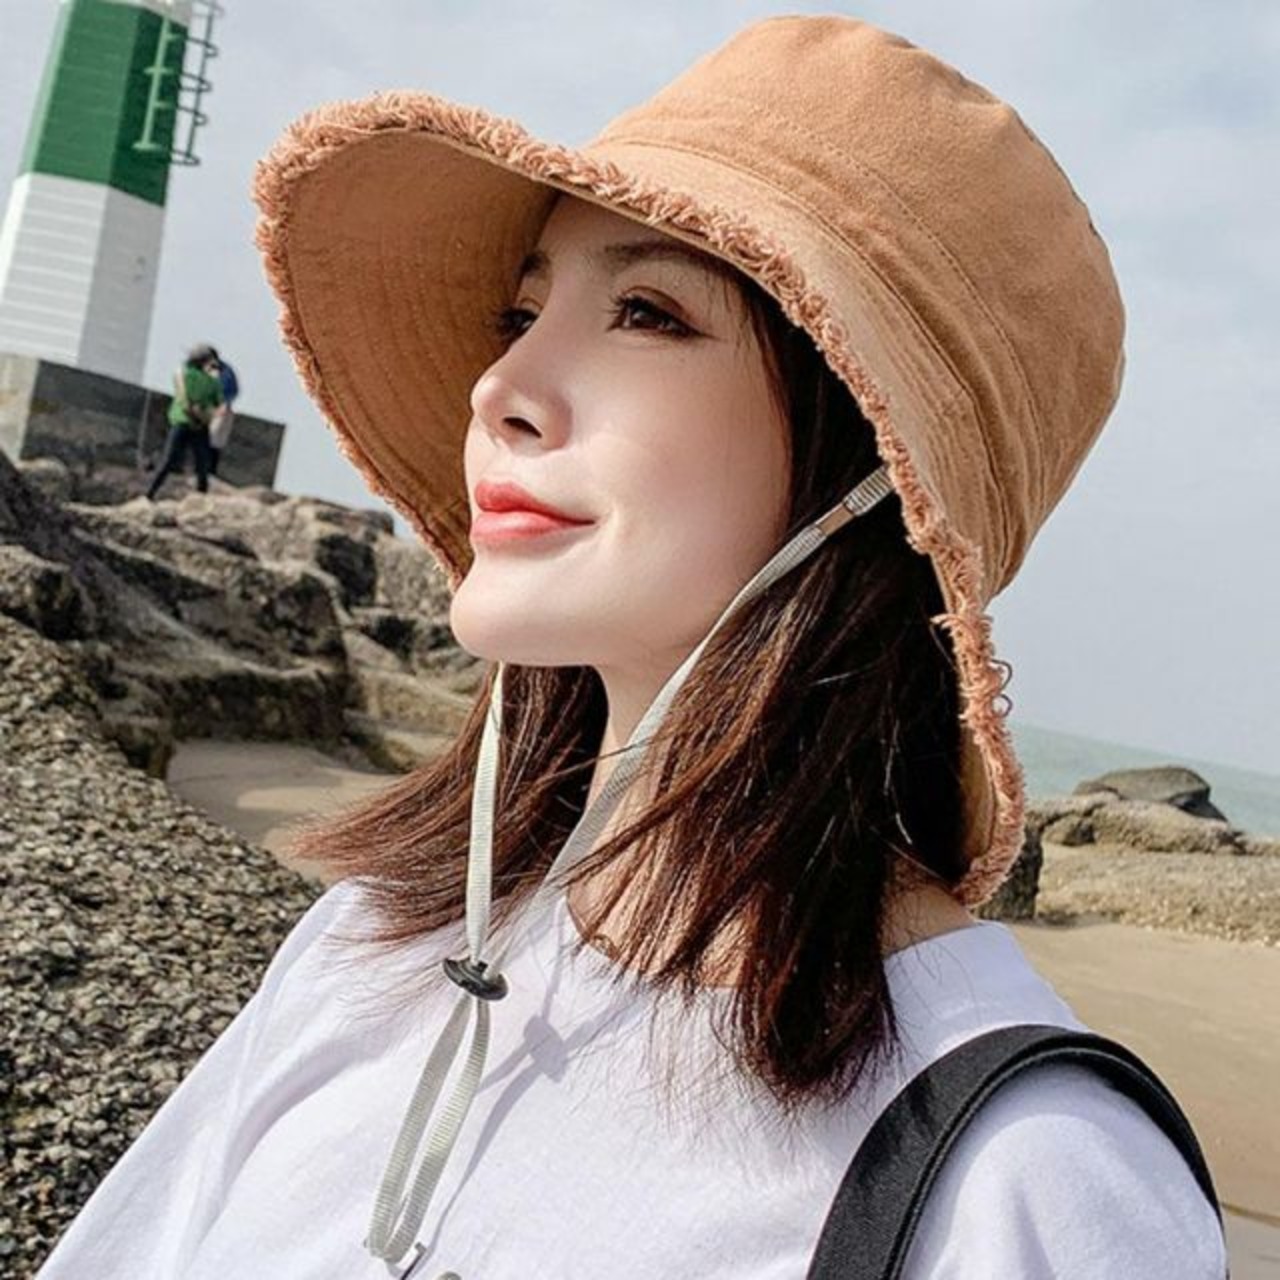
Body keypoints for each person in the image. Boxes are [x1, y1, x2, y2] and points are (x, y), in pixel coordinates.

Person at [36, 16, 1229, 1279]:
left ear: (873, 468)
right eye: (520, 309)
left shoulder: (1027, 1180)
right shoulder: (367, 949)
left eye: (647, 312)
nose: (498, 386)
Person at [144, 343, 222, 500]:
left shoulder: (184, 374)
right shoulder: (212, 382)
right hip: (200, 424)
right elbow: (217, 402)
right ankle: (201, 497)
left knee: (168, 460)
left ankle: (149, 494)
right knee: (202, 465)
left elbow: (182, 395)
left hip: (182, 421)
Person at [207, 351, 240, 477]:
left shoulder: (226, 371)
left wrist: (224, 403)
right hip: (208, 408)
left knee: (214, 440)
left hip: (220, 409)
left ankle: (210, 471)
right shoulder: (207, 370)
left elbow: (233, 390)